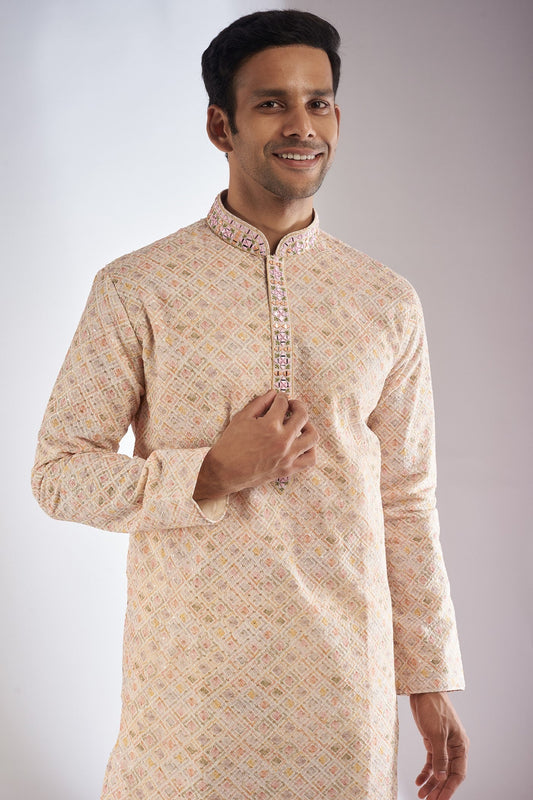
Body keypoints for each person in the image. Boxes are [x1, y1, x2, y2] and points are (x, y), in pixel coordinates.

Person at [32, 9, 468, 800]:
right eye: (272, 103)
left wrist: (427, 679)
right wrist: (208, 473)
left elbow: (405, 498)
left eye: (317, 102)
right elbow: (59, 474)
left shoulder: (384, 301)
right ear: (219, 126)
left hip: (345, 681)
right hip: (191, 689)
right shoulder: (139, 288)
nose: (301, 125)